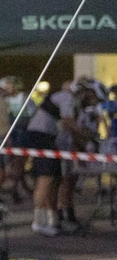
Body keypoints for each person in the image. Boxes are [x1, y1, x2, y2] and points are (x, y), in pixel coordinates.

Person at [21, 79, 99, 235]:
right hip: (41, 136)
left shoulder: (71, 102)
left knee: (55, 180)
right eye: (89, 95)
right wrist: (87, 137)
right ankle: (39, 221)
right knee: (46, 178)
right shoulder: (66, 98)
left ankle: (52, 220)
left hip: (49, 138)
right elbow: (69, 123)